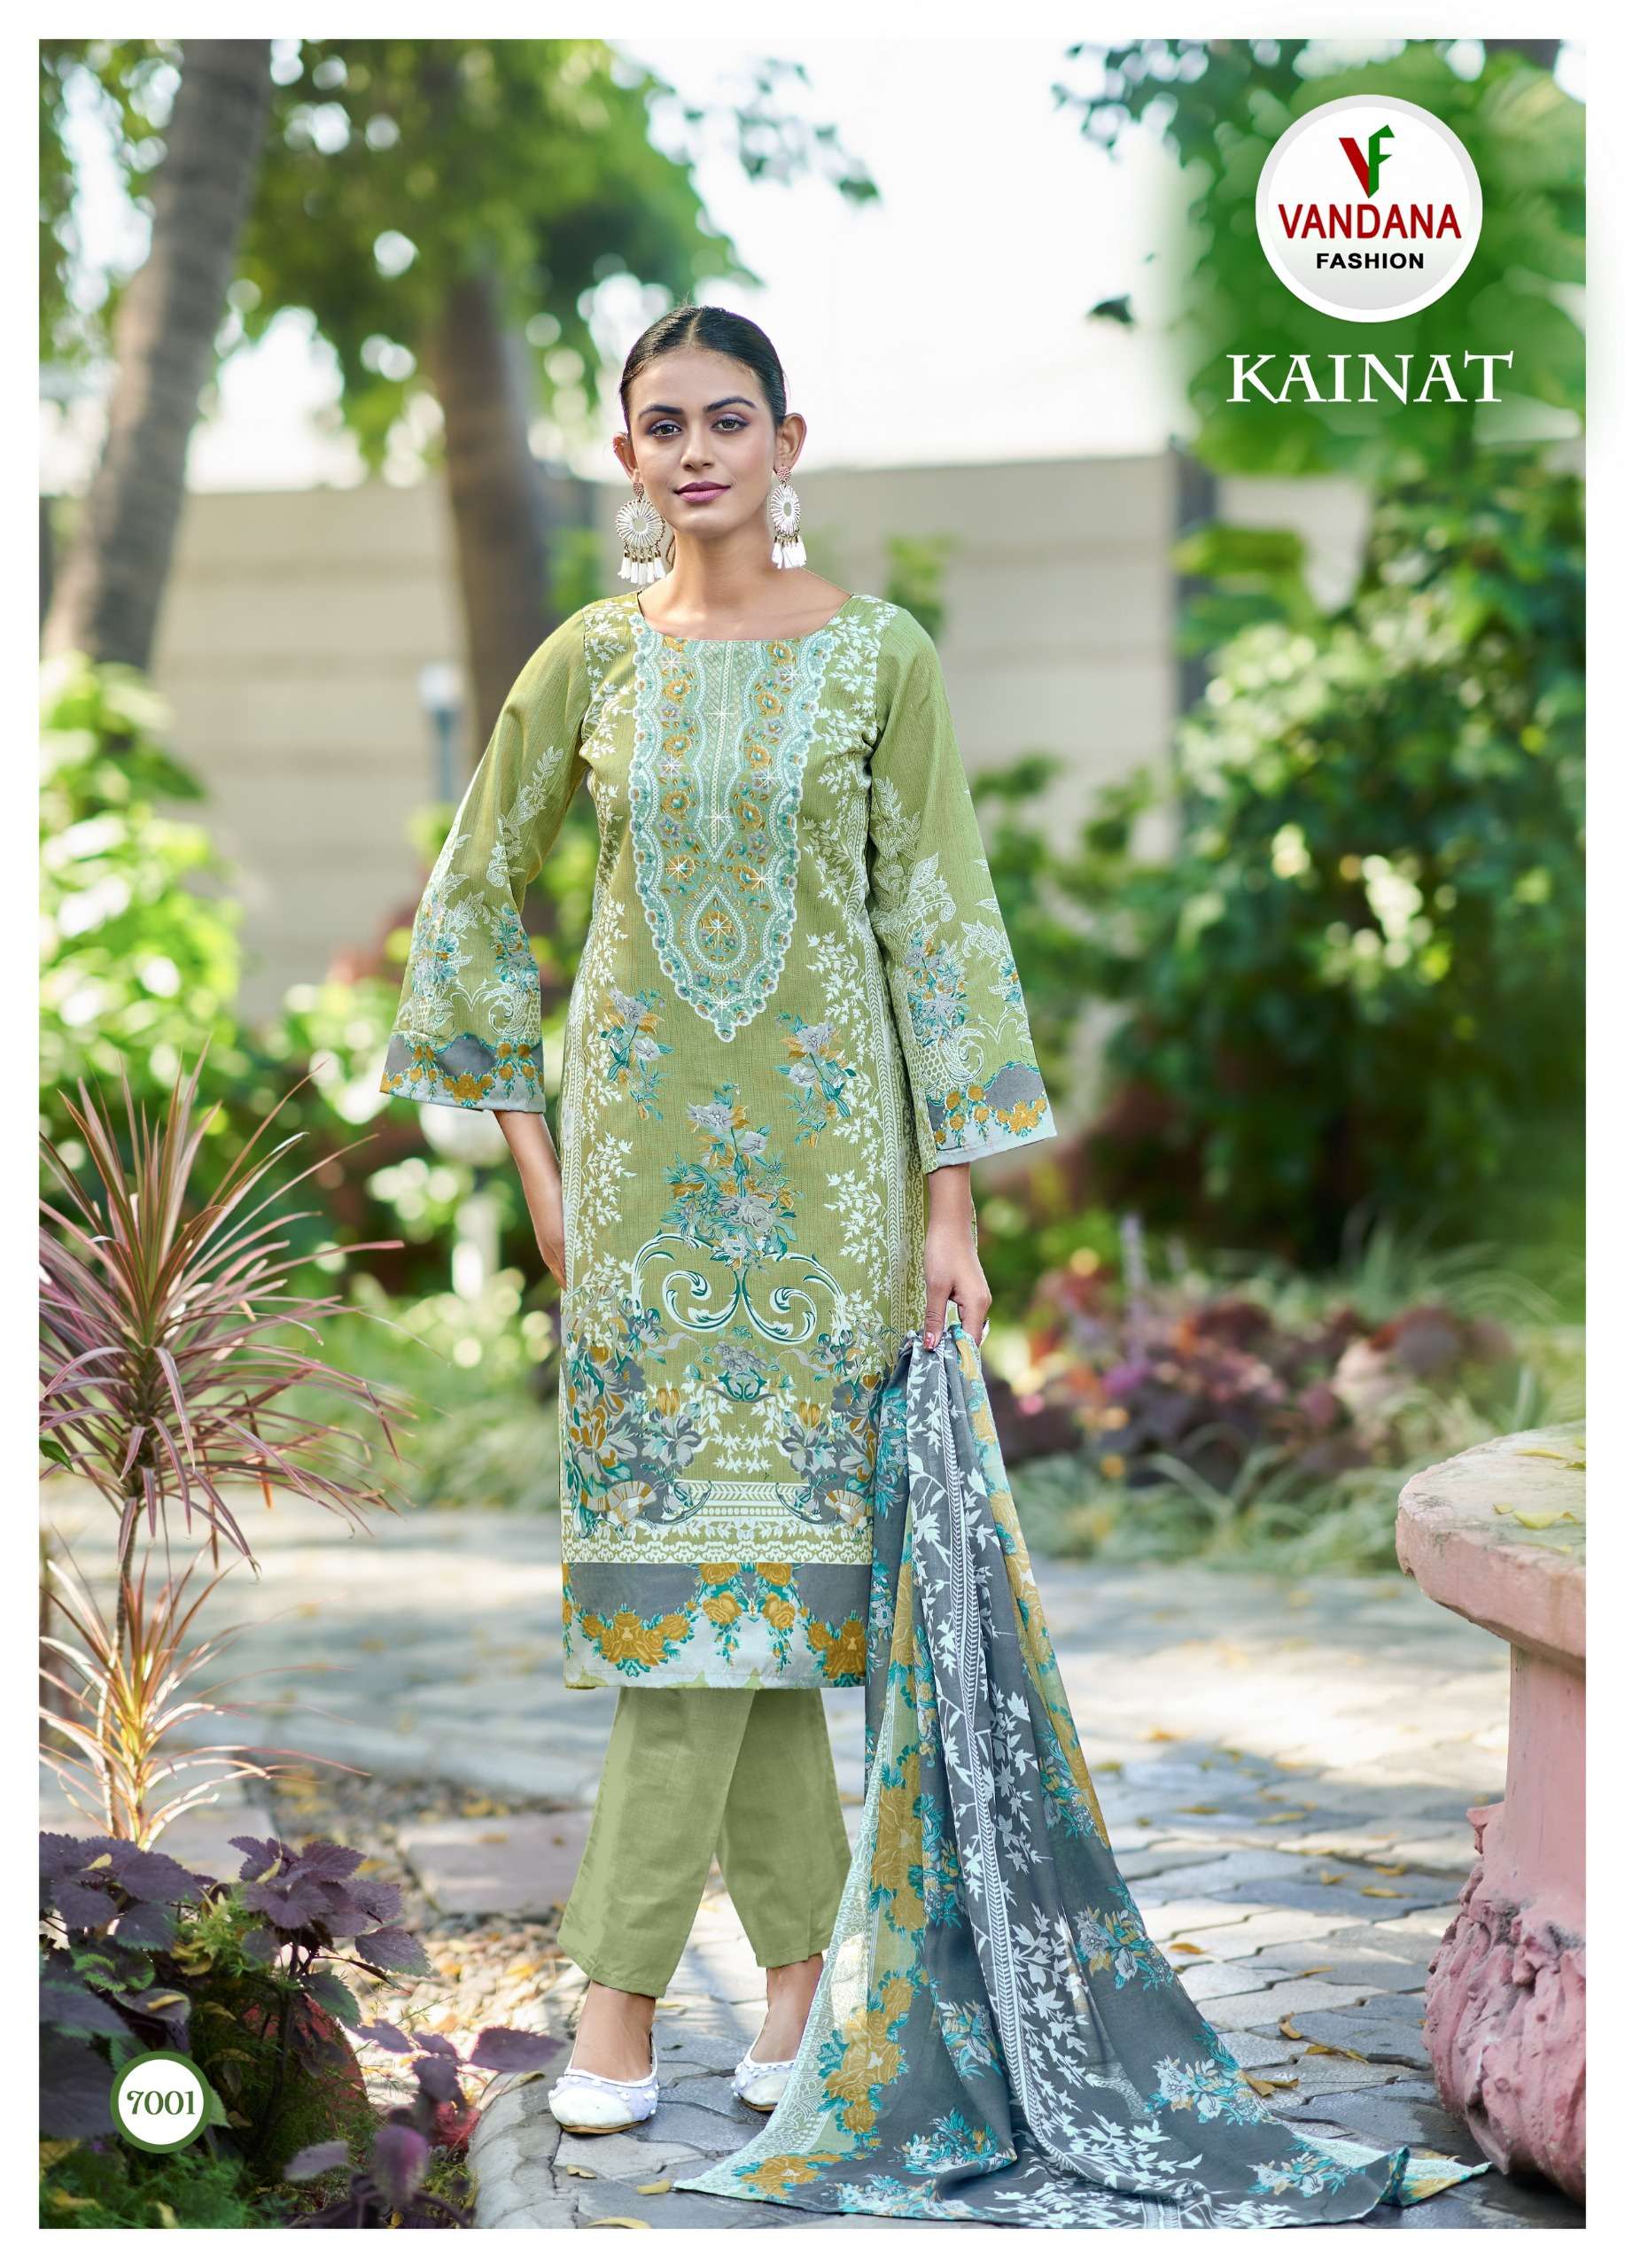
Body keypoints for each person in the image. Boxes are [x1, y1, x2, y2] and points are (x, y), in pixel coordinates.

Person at [377, 303, 1057, 2134]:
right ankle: (786, 1995)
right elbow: (473, 896)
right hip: (637, 1185)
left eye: (727, 419)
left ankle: (630, 2001)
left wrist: (949, 1207)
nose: (695, 451)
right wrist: (537, 1170)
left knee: (769, 1596)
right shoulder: (589, 662)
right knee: (682, 1590)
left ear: (785, 441)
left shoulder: (878, 658)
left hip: (836, 1185)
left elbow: (937, 921)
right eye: (663, 423)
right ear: (624, 455)